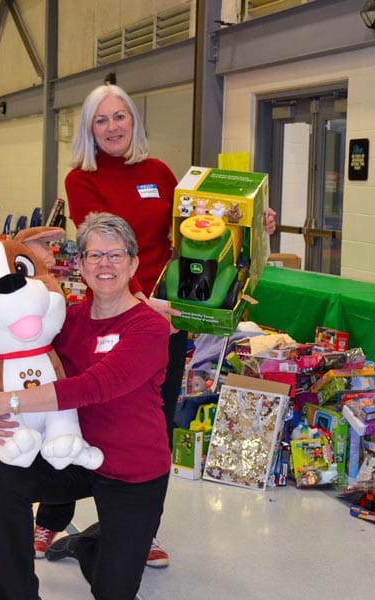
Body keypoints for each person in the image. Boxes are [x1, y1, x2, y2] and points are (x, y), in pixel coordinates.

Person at [35, 82, 276, 567]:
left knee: (152, 428)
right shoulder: (81, 179)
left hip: (163, 320)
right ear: (88, 129)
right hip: (106, 313)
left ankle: (142, 531)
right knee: (81, 413)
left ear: (133, 121)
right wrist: (133, 298)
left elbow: (198, 225)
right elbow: (99, 241)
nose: (111, 127)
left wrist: (252, 224)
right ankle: (49, 520)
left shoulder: (161, 173)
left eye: (119, 116)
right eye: (100, 120)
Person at [0, 212, 171, 600]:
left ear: (133, 263)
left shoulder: (149, 327)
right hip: (74, 457)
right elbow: (13, 355)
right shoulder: (67, 319)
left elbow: (95, 387)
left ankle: (86, 543)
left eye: (115, 255)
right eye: (94, 256)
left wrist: (4, 401)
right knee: (6, 482)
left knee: (112, 591)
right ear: (79, 265)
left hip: (133, 469)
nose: (104, 265)